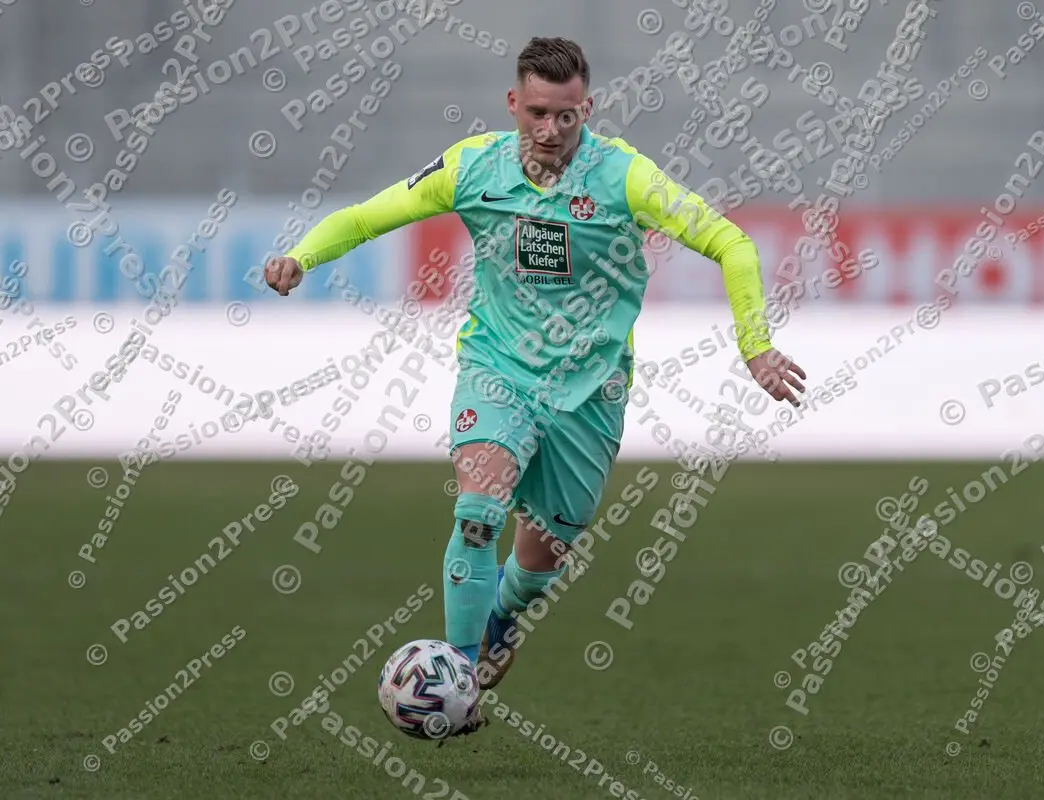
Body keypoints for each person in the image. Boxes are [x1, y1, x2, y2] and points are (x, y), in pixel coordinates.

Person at [265, 36, 806, 737]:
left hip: (591, 394)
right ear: (514, 105)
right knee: (477, 511)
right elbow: (369, 216)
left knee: (540, 556)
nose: (551, 132)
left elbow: (731, 243)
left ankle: (501, 618)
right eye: (538, 114)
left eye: (567, 117)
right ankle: (459, 678)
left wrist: (756, 348)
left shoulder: (625, 178)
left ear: (589, 108)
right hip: (498, 369)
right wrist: (302, 256)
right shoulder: (471, 167)